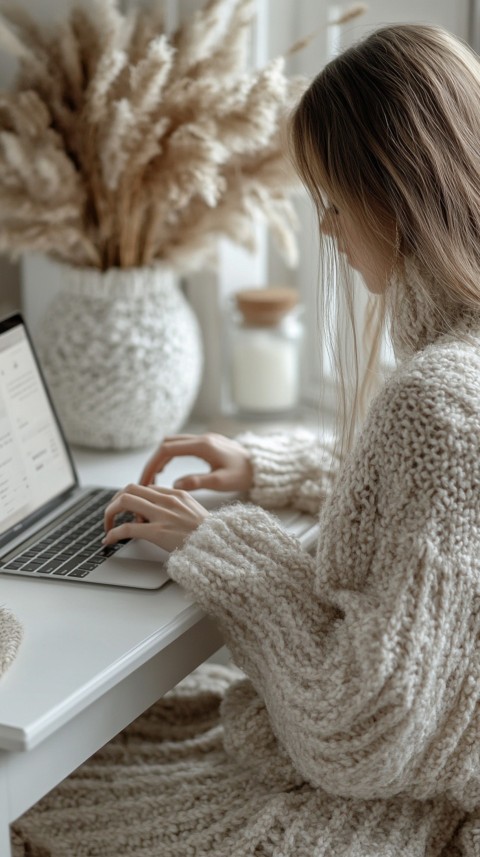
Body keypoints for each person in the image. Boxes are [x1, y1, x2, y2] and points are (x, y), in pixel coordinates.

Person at [12, 22, 480, 857]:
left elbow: (361, 729)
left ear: (396, 199)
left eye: (334, 203)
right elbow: (439, 506)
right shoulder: (460, 373)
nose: (329, 232)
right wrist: (267, 465)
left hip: (374, 795)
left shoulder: (436, 401)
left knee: (43, 778)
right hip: (434, 774)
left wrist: (220, 544)